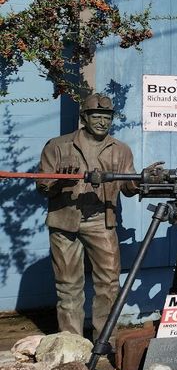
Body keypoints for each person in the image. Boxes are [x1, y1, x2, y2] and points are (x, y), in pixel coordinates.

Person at [37, 93, 138, 338]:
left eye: (107, 117)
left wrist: (143, 180)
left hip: (101, 222)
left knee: (109, 283)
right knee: (69, 286)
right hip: (65, 222)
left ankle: (104, 341)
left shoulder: (120, 150)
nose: (103, 122)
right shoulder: (58, 146)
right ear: (84, 117)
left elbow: (129, 187)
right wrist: (62, 180)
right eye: (97, 117)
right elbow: (42, 185)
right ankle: (71, 343)